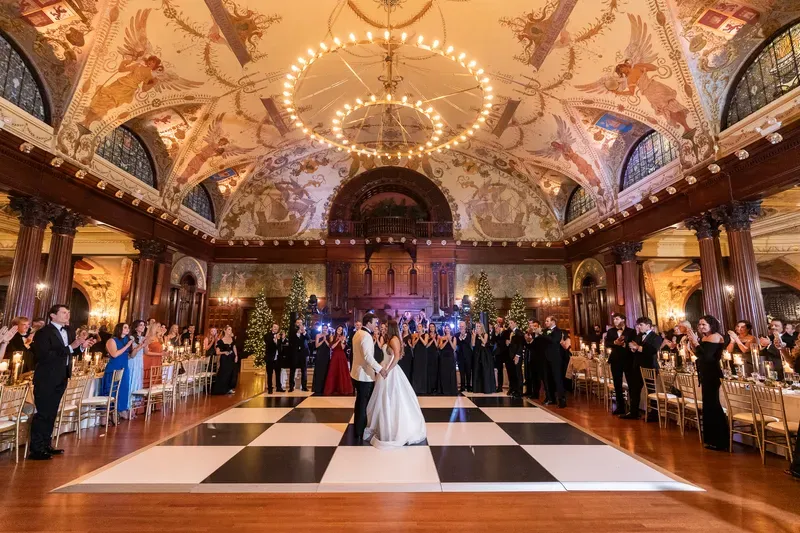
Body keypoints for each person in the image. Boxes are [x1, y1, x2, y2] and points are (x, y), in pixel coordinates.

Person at [29, 305, 95, 460]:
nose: (67, 315)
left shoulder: (69, 330)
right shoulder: (43, 333)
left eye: (68, 312)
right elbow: (44, 356)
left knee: (52, 412)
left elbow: (70, 352)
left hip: (62, 376)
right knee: (43, 413)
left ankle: (46, 444)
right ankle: (36, 449)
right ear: (53, 315)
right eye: (64, 312)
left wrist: (81, 347)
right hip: (46, 377)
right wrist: (71, 347)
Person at [364, 319, 426, 448]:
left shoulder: (394, 339)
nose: (385, 328)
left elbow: (397, 356)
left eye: (387, 326)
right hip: (385, 368)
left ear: (391, 327)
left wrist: (388, 370)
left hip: (391, 370)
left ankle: (394, 426)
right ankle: (382, 423)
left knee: (392, 397)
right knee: (382, 398)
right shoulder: (389, 338)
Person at [686, 315, 729, 451]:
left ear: (712, 325)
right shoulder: (706, 338)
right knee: (708, 405)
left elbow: (708, 358)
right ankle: (711, 439)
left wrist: (696, 343)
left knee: (713, 405)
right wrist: (693, 343)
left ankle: (721, 440)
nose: (701, 327)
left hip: (712, 373)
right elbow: (700, 355)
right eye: (699, 324)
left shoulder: (715, 337)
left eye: (704, 324)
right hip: (705, 373)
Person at [351, 313, 386, 443]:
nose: (376, 325)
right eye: (375, 322)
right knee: (363, 404)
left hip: (356, 373)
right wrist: (380, 369)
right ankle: (360, 431)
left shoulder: (358, 333)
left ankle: (358, 428)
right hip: (364, 376)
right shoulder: (366, 336)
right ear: (368, 323)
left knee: (360, 402)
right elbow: (367, 357)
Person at [625, 317, 662, 421]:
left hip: (650, 366)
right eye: (638, 325)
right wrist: (633, 349)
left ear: (648, 326)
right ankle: (634, 412)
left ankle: (654, 414)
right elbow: (636, 349)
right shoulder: (639, 336)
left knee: (651, 390)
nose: (639, 327)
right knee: (635, 389)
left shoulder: (656, 337)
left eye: (641, 325)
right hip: (638, 366)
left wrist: (638, 348)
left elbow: (653, 350)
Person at [103, 322, 139, 420]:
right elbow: (114, 354)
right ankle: (110, 413)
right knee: (112, 390)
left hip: (124, 367)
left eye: (128, 328)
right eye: (125, 327)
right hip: (114, 367)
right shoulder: (112, 340)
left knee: (123, 389)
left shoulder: (127, 340)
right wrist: (127, 346)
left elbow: (130, 356)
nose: (127, 329)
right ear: (119, 329)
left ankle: (121, 410)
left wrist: (137, 348)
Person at [605, 313, 636, 415]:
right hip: (615, 360)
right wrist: (615, 342)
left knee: (631, 384)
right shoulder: (611, 331)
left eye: (617, 319)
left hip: (628, 360)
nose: (615, 321)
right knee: (617, 384)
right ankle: (620, 407)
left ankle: (632, 408)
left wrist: (624, 344)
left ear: (623, 320)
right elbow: (607, 343)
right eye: (614, 319)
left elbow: (634, 344)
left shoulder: (631, 331)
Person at [541, 316, 567, 408]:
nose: (545, 322)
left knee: (557, 379)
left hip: (555, 358)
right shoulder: (545, 331)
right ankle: (550, 398)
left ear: (553, 322)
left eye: (547, 321)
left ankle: (561, 400)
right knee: (548, 379)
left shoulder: (558, 331)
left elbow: (554, 341)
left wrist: (543, 335)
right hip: (546, 358)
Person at [324, 326, 352, 395]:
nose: (340, 330)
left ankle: (342, 388)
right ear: (336, 329)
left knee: (342, 371)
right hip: (335, 355)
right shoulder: (332, 337)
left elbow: (343, 348)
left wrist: (342, 341)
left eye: (341, 330)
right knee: (333, 371)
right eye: (339, 329)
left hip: (342, 356)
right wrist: (338, 340)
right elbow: (332, 347)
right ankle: (332, 388)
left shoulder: (343, 337)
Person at [127, 320, 148, 409]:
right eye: (141, 325)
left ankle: (134, 406)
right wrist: (141, 345)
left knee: (138, 381)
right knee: (131, 380)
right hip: (132, 361)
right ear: (136, 327)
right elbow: (132, 354)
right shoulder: (131, 338)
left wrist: (146, 344)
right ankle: (128, 405)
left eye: (144, 325)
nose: (143, 327)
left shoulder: (143, 338)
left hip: (140, 361)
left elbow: (146, 352)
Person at [212, 326, 238, 395]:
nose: (230, 330)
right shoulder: (221, 341)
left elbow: (234, 347)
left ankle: (229, 388)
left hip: (231, 358)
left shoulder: (232, 339)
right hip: (225, 359)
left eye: (231, 329)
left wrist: (236, 356)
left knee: (232, 373)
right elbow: (217, 352)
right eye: (229, 329)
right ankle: (222, 389)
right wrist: (224, 352)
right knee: (224, 373)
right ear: (225, 330)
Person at [471, 322, 495, 394]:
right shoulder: (474, 335)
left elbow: (484, 342)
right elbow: (473, 344)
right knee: (477, 369)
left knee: (485, 370)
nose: (477, 327)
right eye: (476, 326)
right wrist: (474, 336)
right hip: (477, 354)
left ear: (481, 327)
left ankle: (486, 388)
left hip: (484, 354)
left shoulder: (485, 334)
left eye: (479, 326)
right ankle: (477, 388)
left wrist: (480, 336)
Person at [506, 319, 525, 398]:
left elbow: (521, 345)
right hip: (510, 356)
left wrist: (517, 355)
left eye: (511, 323)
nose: (510, 325)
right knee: (512, 373)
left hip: (516, 356)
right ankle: (513, 388)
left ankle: (519, 391)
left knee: (517, 373)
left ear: (515, 323)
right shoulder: (509, 332)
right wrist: (508, 343)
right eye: (509, 323)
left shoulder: (519, 333)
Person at [263, 324, 284, 394]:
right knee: (269, 374)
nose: (275, 328)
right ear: (271, 328)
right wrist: (274, 338)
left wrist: (281, 339)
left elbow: (280, 347)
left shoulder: (279, 336)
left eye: (277, 328)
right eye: (274, 327)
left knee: (278, 373)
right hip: (270, 358)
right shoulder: (267, 335)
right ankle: (270, 388)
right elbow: (268, 344)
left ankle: (279, 387)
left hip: (277, 358)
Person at [437, 324, 458, 396]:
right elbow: (440, 347)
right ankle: (444, 389)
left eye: (448, 328)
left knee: (451, 373)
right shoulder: (442, 338)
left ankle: (451, 389)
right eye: (445, 328)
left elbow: (454, 348)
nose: (447, 329)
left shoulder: (454, 338)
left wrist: (449, 340)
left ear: (450, 329)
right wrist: (446, 341)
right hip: (443, 357)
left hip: (450, 357)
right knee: (443, 373)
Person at [289, 320, 310, 392]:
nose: (299, 324)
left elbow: (309, 338)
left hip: (303, 353)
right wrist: (297, 333)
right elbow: (291, 340)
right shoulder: (292, 331)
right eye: (298, 323)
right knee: (292, 370)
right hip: (295, 353)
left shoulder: (306, 330)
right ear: (295, 323)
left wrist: (304, 332)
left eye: (300, 323)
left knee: (304, 370)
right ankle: (291, 387)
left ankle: (304, 386)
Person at [312, 326, 331, 394]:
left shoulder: (330, 336)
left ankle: (325, 388)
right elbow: (316, 345)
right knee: (319, 370)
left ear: (327, 329)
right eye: (323, 328)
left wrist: (325, 340)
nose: (324, 329)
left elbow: (330, 346)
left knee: (326, 370)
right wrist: (323, 340)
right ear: (321, 329)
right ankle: (317, 388)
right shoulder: (318, 335)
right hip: (319, 354)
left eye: (326, 328)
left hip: (326, 355)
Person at [410, 323, 428, 394]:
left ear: (422, 327)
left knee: (422, 370)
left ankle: (423, 389)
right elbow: (413, 345)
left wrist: (420, 337)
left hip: (423, 354)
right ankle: (416, 388)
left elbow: (425, 343)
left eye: (420, 326)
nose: (419, 328)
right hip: (416, 354)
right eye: (418, 326)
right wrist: (417, 337)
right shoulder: (414, 335)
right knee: (416, 370)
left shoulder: (426, 335)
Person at [491, 322, 508, 393]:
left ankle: (500, 386)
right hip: (495, 355)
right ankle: (495, 385)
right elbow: (492, 342)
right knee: (497, 370)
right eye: (495, 328)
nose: (496, 329)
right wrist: (496, 335)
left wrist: (498, 335)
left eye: (497, 327)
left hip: (501, 354)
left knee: (500, 371)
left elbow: (503, 343)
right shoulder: (494, 334)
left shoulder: (503, 334)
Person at [456, 321, 472, 392]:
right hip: (460, 356)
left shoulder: (469, 334)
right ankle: (462, 387)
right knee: (462, 372)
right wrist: (461, 336)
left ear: (465, 327)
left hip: (468, 355)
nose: (461, 327)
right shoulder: (456, 335)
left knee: (468, 371)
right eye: (460, 326)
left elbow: (468, 342)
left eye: (462, 326)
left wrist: (463, 336)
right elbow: (457, 343)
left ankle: (468, 386)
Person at [425, 323, 439, 394]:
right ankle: (429, 387)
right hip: (428, 354)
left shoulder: (438, 335)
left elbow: (437, 346)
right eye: (430, 327)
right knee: (429, 370)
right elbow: (426, 346)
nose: (431, 328)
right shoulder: (427, 335)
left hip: (435, 354)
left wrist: (434, 339)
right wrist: (431, 340)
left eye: (433, 326)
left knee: (435, 370)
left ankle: (434, 387)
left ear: (435, 327)